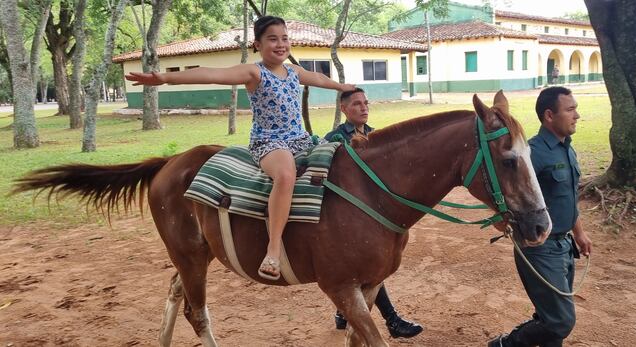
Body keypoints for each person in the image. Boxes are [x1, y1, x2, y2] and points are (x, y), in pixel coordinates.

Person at [126, 16, 355, 281]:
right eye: (272, 39)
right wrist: (164, 77)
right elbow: (211, 74)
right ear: (257, 44)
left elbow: (317, 77)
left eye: (284, 38)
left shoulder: (294, 72)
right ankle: (273, 248)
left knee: (338, 163)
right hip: (271, 143)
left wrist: (342, 87)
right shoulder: (254, 73)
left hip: (302, 140)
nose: (280, 44)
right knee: (286, 176)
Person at [488, 86, 592, 347]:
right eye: (570, 110)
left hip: (564, 245)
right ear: (549, 115)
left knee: (550, 318)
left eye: (575, 109)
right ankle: (506, 344)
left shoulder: (566, 149)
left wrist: (579, 232)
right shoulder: (533, 153)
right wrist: (500, 217)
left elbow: (567, 196)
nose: (576, 115)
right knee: (560, 321)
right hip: (539, 246)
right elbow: (505, 186)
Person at [323, 88, 424, 339]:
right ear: (344, 109)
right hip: (346, 216)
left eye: (366, 103)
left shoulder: (375, 136)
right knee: (372, 269)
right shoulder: (335, 138)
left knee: (370, 268)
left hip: (372, 211)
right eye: (357, 104)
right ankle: (392, 320)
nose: (364, 107)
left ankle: (343, 313)